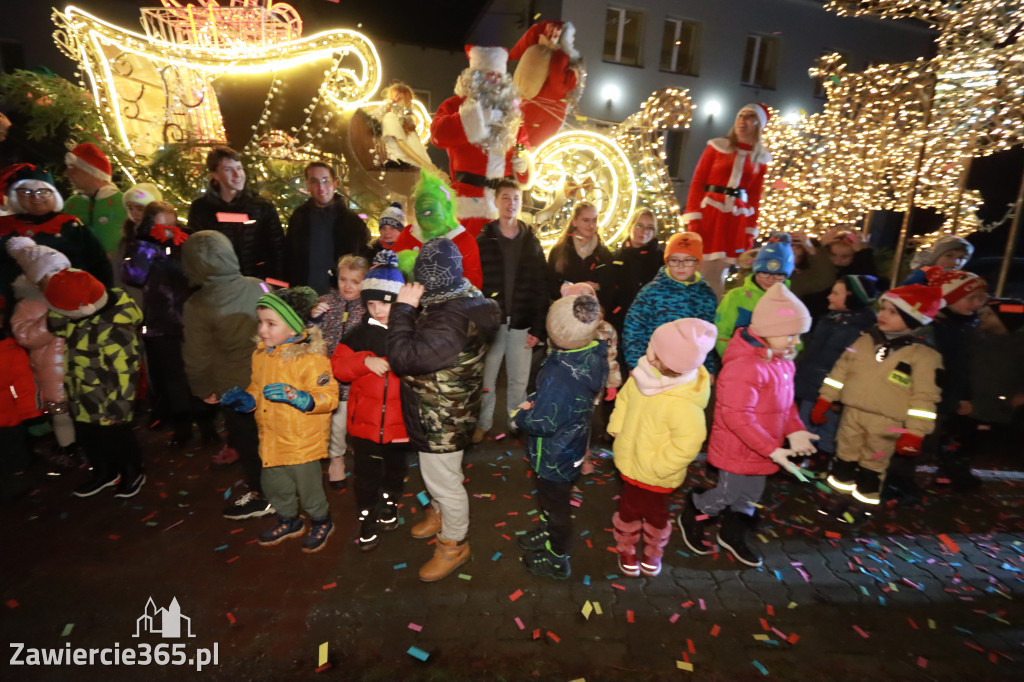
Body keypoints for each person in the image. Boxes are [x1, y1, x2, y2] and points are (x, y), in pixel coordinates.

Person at [387, 238, 501, 581]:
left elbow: (403, 358)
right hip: (444, 408)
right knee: (437, 475)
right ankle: (439, 513)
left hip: (441, 416)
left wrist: (404, 309)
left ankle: (453, 544)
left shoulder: (448, 319)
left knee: (445, 482)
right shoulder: (462, 297)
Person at [679, 284, 817, 568]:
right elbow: (737, 418)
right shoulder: (744, 367)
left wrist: (796, 429)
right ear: (768, 329)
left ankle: (734, 533)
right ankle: (695, 513)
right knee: (726, 494)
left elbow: (785, 404)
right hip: (738, 448)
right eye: (790, 334)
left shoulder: (781, 362)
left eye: (799, 334)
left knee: (751, 496)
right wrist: (773, 449)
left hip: (766, 447)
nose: (797, 342)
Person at [220, 287, 340, 553]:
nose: (262, 330)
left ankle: (321, 520)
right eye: (260, 322)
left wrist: (301, 398)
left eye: (271, 323)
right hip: (271, 439)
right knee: (274, 485)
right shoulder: (262, 355)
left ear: (294, 327)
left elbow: (329, 396)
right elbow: (257, 388)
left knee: (308, 489)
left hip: (301, 442)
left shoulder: (311, 359)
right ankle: (289, 520)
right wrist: (247, 400)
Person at [814, 284, 943, 517]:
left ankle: (864, 502)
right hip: (853, 413)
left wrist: (915, 432)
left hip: (887, 421)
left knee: (873, 463)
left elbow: (925, 398)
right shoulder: (864, 341)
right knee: (844, 456)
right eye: (883, 309)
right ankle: (839, 495)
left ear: (913, 318)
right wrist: (826, 398)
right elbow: (840, 371)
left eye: (893, 312)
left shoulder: (924, 356)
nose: (882, 315)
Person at [609, 319, 715, 578]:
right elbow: (624, 399)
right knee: (629, 508)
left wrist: (658, 466)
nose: (648, 350)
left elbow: (687, 445)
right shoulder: (643, 376)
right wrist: (618, 426)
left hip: (657, 474)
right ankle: (627, 546)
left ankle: (653, 550)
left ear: (671, 363)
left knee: (656, 514)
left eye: (653, 348)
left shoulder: (684, 403)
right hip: (630, 462)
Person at [513, 293, 608, 580]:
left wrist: (522, 415)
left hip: (554, 454)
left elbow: (543, 422)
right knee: (552, 498)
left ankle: (557, 557)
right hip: (573, 443)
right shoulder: (593, 351)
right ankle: (547, 528)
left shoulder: (558, 372)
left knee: (557, 506)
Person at [181, 231, 273, 520]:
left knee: (249, 442)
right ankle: (287, 484)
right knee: (273, 435)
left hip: (233, 387)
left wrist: (202, 388)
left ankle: (263, 495)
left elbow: (197, 355)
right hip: (270, 376)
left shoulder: (196, 305)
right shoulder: (258, 285)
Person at [45, 264, 147, 499]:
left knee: (118, 439)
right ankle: (104, 472)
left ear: (84, 307)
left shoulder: (116, 328)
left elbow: (125, 373)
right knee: (90, 439)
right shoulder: (77, 315)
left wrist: (117, 410)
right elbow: (56, 325)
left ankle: (132, 472)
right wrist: (57, 305)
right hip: (82, 395)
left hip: (109, 399)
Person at [121, 201, 217, 449]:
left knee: (198, 373)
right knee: (172, 381)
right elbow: (133, 275)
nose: (167, 229)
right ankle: (182, 428)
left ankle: (208, 426)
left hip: (191, 321)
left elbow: (202, 275)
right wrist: (147, 245)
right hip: (161, 324)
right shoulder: (140, 245)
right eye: (161, 225)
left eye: (171, 223)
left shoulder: (185, 242)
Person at [331, 249, 409, 551]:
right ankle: (367, 515)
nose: (377, 310)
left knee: (394, 470)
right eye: (372, 303)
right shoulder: (357, 335)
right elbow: (338, 366)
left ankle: (390, 503)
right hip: (364, 425)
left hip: (399, 424)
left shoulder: (407, 333)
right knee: (365, 475)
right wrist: (364, 362)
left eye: (385, 303)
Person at [473, 179, 549, 443]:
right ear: (496, 201)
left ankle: (516, 422)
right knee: (486, 379)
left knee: (519, 380)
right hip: (492, 323)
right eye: (506, 198)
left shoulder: (532, 242)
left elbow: (542, 286)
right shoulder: (483, 241)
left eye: (516, 198)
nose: (511, 203)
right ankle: (482, 423)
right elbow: (474, 286)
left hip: (522, 322)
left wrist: (539, 328)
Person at [429, 45, 531, 237]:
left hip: (504, 205)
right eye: (487, 74)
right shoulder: (455, 105)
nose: (493, 80)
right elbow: (438, 136)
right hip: (467, 203)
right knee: (465, 259)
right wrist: (476, 116)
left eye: (497, 76)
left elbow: (523, 149)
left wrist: (524, 166)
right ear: (474, 77)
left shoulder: (512, 113)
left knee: (499, 263)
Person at [682, 103, 772, 297]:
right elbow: (697, 182)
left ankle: (712, 320)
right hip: (709, 215)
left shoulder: (760, 160)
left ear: (758, 125)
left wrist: (749, 231)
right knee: (699, 268)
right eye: (741, 116)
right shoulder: (716, 147)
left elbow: (755, 198)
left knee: (718, 274)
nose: (743, 121)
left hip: (734, 221)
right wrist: (694, 218)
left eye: (749, 117)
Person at [6, 238, 78, 465]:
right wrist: (52, 322)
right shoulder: (28, 305)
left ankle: (89, 444)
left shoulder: (77, 296)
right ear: (37, 281)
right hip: (51, 372)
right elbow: (25, 336)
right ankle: (69, 448)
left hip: (81, 365)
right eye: (52, 274)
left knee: (85, 409)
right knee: (62, 414)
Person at [0, 164, 112, 310]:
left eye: (44, 191)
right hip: (10, 308)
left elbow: (98, 264)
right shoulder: (4, 226)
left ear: (54, 194)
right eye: (26, 191)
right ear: (15, 195)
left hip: (69, 307)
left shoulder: (70, 226)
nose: (36, 197)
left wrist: (103, 301)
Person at [793, 275, 880, 463]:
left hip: (831, 390)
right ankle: (803, 458)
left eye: (835, 293)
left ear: (851, 297)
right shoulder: (829, 320)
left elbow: (853, 366)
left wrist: (839, 395)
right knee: (805, 422)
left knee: (827, 427)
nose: (829, 297)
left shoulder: (860, 331)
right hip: (811, 381)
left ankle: (821, 460)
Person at [925, 268, 990, 491]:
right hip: (949, 390)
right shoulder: (943, 328)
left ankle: (952, 471)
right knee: (945, 434)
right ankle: (949, 471)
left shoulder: (972, 324)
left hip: (965, 390)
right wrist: (958, 396)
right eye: (970, 298)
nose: (976, 303)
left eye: (980, 298)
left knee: (961, 435)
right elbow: (952, 365)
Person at [312, 254, 370, 489]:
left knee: (359, 419)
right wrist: (313, 318)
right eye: (344, 279)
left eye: (355, 282)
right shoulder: (326, 302)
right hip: (330, 375)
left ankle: (362, 455)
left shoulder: (369, 306)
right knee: (336, 422)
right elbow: (308, 335)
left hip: (358, 374)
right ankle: (336, 459)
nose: (348, 286)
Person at [622, 231, 717, 372]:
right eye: (674, 260)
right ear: (667, 261)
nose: (681, 265)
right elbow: (634, 328)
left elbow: (707, 336)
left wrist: (707, 368)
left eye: (688, 260)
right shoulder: (651, 292)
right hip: (655, 366)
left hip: (691, 370)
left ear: (697, 263)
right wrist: (635, 364)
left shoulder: (706, 296)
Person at [186, 146, 285, 281]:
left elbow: (278, 250)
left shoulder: (262, 206)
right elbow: (197, 253)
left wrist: (275, 285)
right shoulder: (201, 208)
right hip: (219, 286)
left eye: (239, 168)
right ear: (215, 174)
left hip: (258, 285)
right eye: (228, 170)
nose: (237, 175)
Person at [285, 162, 371, 293]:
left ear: (335, 184)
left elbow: (363, 260)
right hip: (304, 295)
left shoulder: (352, 222)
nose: (321, 187)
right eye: (315, 181)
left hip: (342, 296)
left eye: (326, 181)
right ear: (308, 186)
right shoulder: (299, 218)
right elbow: (289, 257)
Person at [392, 170, 483, 289]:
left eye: (428, 212)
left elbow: (474, 284)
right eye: (417, 212)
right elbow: (389, 275)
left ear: (447, 207)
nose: (421, 219)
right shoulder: (409, 234)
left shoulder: (463, 240)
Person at [713, 232, 794, 359]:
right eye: (764, 273)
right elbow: (721, 332)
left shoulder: (790, 302)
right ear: (755, 270)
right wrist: (732, 357)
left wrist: (788, 356)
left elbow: (794, 337)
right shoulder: (736, 297)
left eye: (778, 275)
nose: (770, 279)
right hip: (738, 361)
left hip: (771, 365)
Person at [63, 143, 127, 257]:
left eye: (74, 169)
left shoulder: (124, 203)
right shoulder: (71, 203)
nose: (67, 174)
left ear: (90, 172)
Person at [609, 208, 664, 334]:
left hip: (651, 326)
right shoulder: (615, 258)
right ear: (630, 227)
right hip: (620, 324)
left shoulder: (662, 260)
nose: (644, 231)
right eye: (639, 226)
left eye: (649, 227)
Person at [546, 201, 613, 303]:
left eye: (594, 221)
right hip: (564, 310)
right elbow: (550, 286)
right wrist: (573, 289)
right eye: (586, 220)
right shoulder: (559, 251)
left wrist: (598, 287)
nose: (591, 225)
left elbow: (610, 289)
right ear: (574, 222)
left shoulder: (604, 254)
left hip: (593, 312)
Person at [379, 82, 443, 175]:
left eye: (408, 99)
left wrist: (427, 164)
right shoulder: (391, 118)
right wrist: (425, 165)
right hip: (402, 166)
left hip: (412, 165)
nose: (408, 103)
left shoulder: (406, 120)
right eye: (403, 99)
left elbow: (413, 146)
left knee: (442, 184)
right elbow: (402, 146)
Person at [903, 234, 973, 285]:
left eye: (961, 258)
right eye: (949, 256)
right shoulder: (920, 277)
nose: (956, 262)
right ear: (936, 257)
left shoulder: (960, 282)